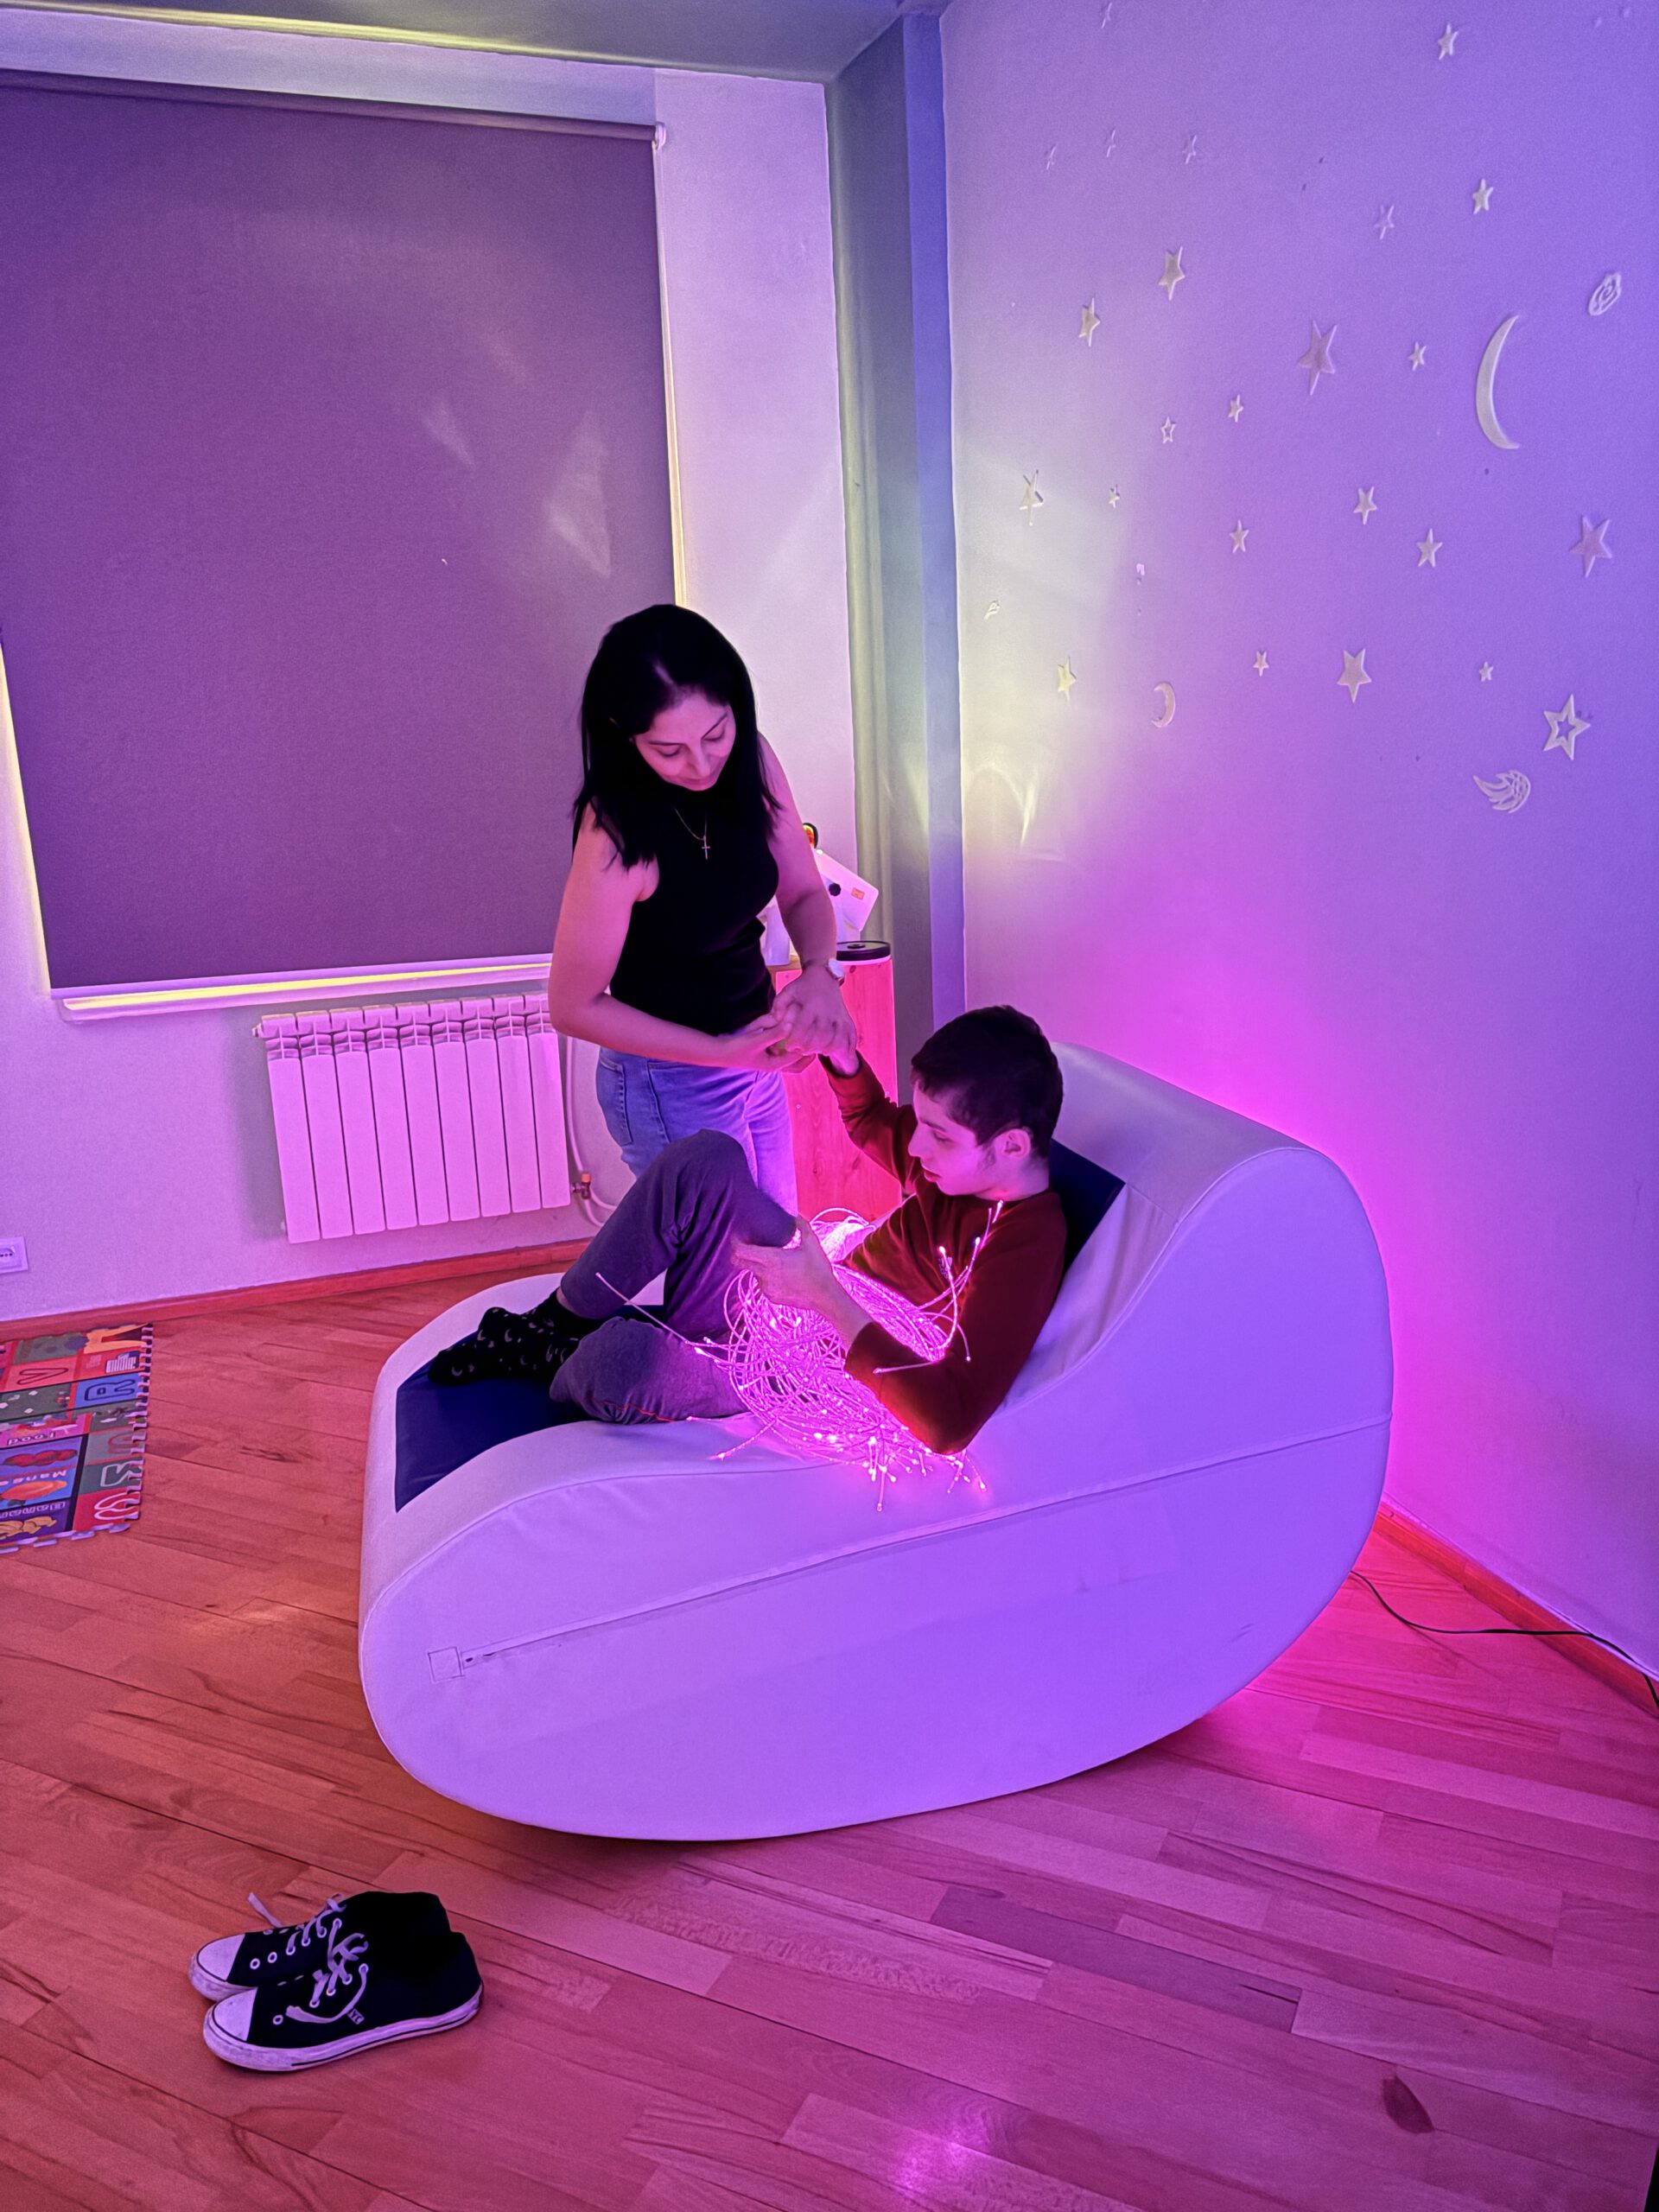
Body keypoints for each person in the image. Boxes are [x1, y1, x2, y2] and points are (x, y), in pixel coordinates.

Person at [432, 1006, 1069, 1459]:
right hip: (796, 1297)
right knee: (705, 1157)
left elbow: (950, 1422)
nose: (917, 1144)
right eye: (922, 1123)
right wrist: (842, 1056)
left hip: (809, 1374)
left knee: (619, 1362)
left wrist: (825, 1297)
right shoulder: (954, 1170)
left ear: (1012, 1145)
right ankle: (552, 1322)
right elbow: (873, 1118)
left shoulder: (1027, 1244)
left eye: (939, 1135)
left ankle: (557, 1357)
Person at [546, 604, 858, 1212]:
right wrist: (720, 1054)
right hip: (669, 1079)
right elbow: (573, 1004)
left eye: (715, 735)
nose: (702, 764)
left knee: (778, 1241)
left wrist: (822, 970)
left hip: (754, 1051)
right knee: (725, 1258)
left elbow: (801, 890)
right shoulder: (615, 832)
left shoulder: (752, 762)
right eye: (669, 750)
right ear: (624, 734)